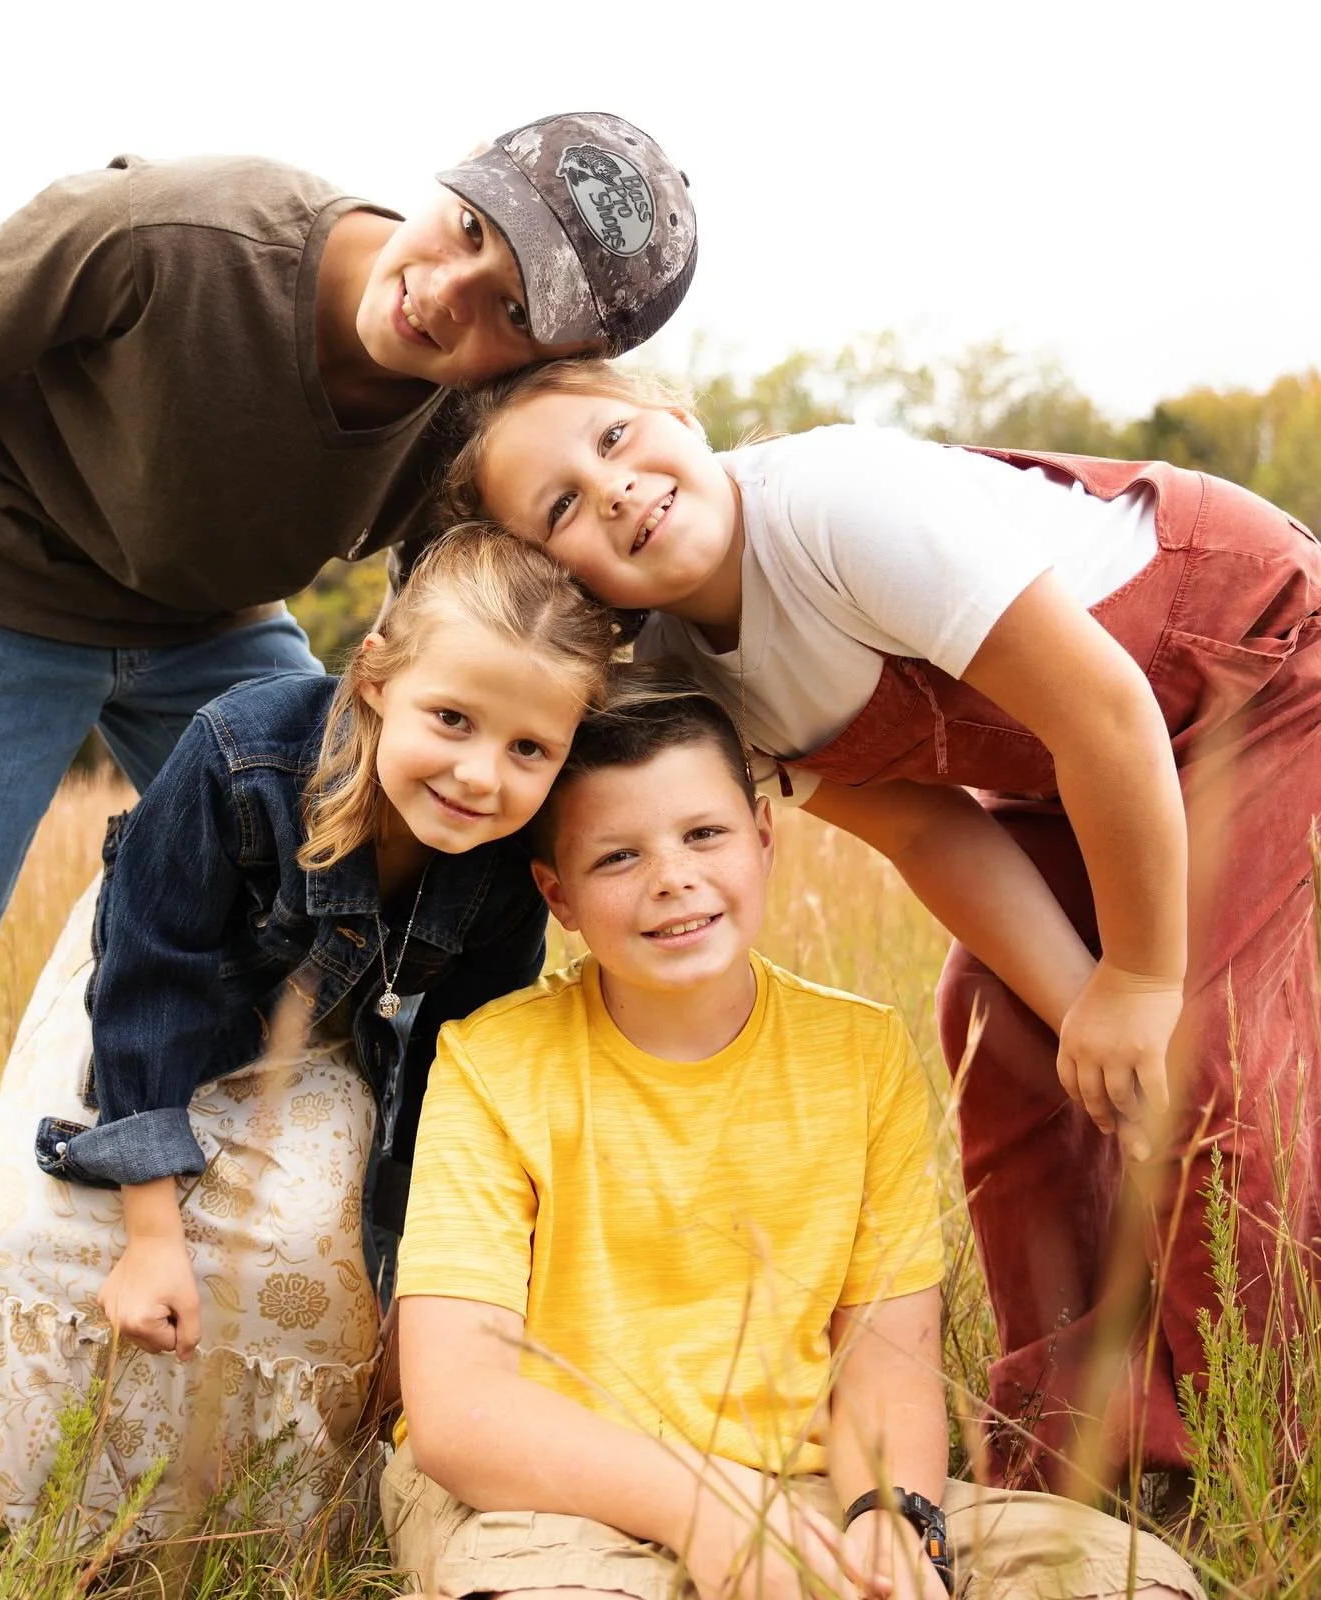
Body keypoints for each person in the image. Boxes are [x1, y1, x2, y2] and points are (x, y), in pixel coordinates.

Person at [0, 113, 696, 1380]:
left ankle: (361, 1318)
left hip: (209, 617)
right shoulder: (176, 236)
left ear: (554, 365)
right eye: (468, 229)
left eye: (510, 310)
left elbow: (492, 641)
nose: (446, 292)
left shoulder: (479, 430)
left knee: (357, 871)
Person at [443, 358, 1321, 1491]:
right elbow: (928, 833)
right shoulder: (690, 685)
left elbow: (1105, 709)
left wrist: (1143, 986)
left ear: (677, 414)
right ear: (552, 574)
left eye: (613, 439)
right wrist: (1081, 1014)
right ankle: (1084, 1446)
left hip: (1247, 664)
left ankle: (1268, 1444)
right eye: (559, 504)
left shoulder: (837, 507)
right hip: (1080, 765)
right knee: (992, 1022)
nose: (609, 489)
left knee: (1202, 1053)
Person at [384, 676, 1202, 1600]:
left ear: (764, 841)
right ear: (557, 895)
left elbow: (885, 1366)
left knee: (1129, 1578)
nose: (673, 878)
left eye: (704, 835)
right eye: (617, 858)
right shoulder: (493, 1062)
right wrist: (708, 1512)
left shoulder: (858, 1050)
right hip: (551, 1496)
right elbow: (459, 1412)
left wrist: (896, 1522)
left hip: (807, 1486)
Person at [0, 523, 616, 1534]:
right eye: (452, 718)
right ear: (378, 677)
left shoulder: (504, 861)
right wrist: (150, 1231)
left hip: (317, 1028)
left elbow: (454, 1070)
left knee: (315, 1250)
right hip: (145, 993)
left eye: (530, 748)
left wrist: (417, 1288)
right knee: (50, 1229)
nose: (482, 775)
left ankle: (255, 1515)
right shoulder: (240, 755)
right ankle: (44, 1516)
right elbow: (150, 984)